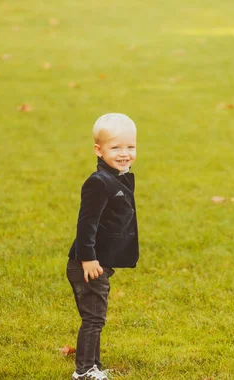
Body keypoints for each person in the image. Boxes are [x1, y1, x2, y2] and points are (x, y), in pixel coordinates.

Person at [66, 113, 139, 379]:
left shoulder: (119, 176)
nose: (125, 153)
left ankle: (93, 366)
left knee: (97, 317)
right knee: (94, 319)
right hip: (87, 265)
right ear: (98, 150)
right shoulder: (98, 183)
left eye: (130, 147)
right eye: (115, 147)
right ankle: (84, 371)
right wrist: (88, 259)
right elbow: (86, 225)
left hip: (99, 263)